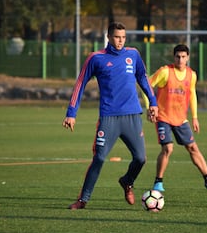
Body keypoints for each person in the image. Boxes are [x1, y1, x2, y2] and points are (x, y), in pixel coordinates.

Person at [63, 22, 158, 210]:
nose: (120, 41)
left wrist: (153, 102)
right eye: (117, 37)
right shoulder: (96, 58)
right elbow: (80, 84)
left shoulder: (133, 54)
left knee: (140, 158)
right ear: (109, 36)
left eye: (123, 37)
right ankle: (83, 200)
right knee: (99, 158)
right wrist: (71, 113)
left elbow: (143, 78)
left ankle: (127, 182)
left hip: (132, 116)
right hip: (109, 118)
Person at [145, 44, 207, 192]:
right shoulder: (165, 72)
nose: (180, 60)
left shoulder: (192, 75)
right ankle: (158, 182)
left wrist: (195, 117)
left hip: (181, 118)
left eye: (183, 57)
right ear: (174, 57)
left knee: (192, 147)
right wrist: (150, 107)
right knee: (168, 148)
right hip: (163, 117)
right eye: (178, 56)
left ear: (188, 58)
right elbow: (146, 86)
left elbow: (192, 95)